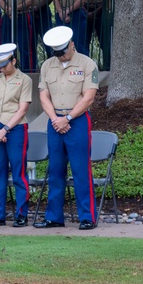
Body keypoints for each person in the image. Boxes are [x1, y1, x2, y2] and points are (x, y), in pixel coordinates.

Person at [35, 26, 99, 230]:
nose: (61, 57)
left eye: (63, 52)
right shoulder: (47, 65)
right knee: (55, 170)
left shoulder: (88, 64)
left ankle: (87, 217)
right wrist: (55, 118)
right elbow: (43, 95)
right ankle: (54, 217)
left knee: (80, 169)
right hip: (55, 120)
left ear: (72, 45)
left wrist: (68, 117)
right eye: (57, 53)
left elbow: (89, 97)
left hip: (77, 120)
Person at [0, 43, 33, 228]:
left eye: (5, 64)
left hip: (16, 128)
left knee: (19, 172)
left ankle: (22, 214)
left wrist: (4, 129)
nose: (2, 68)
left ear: (13, 60)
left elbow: (23, 109)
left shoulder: (24, 79)